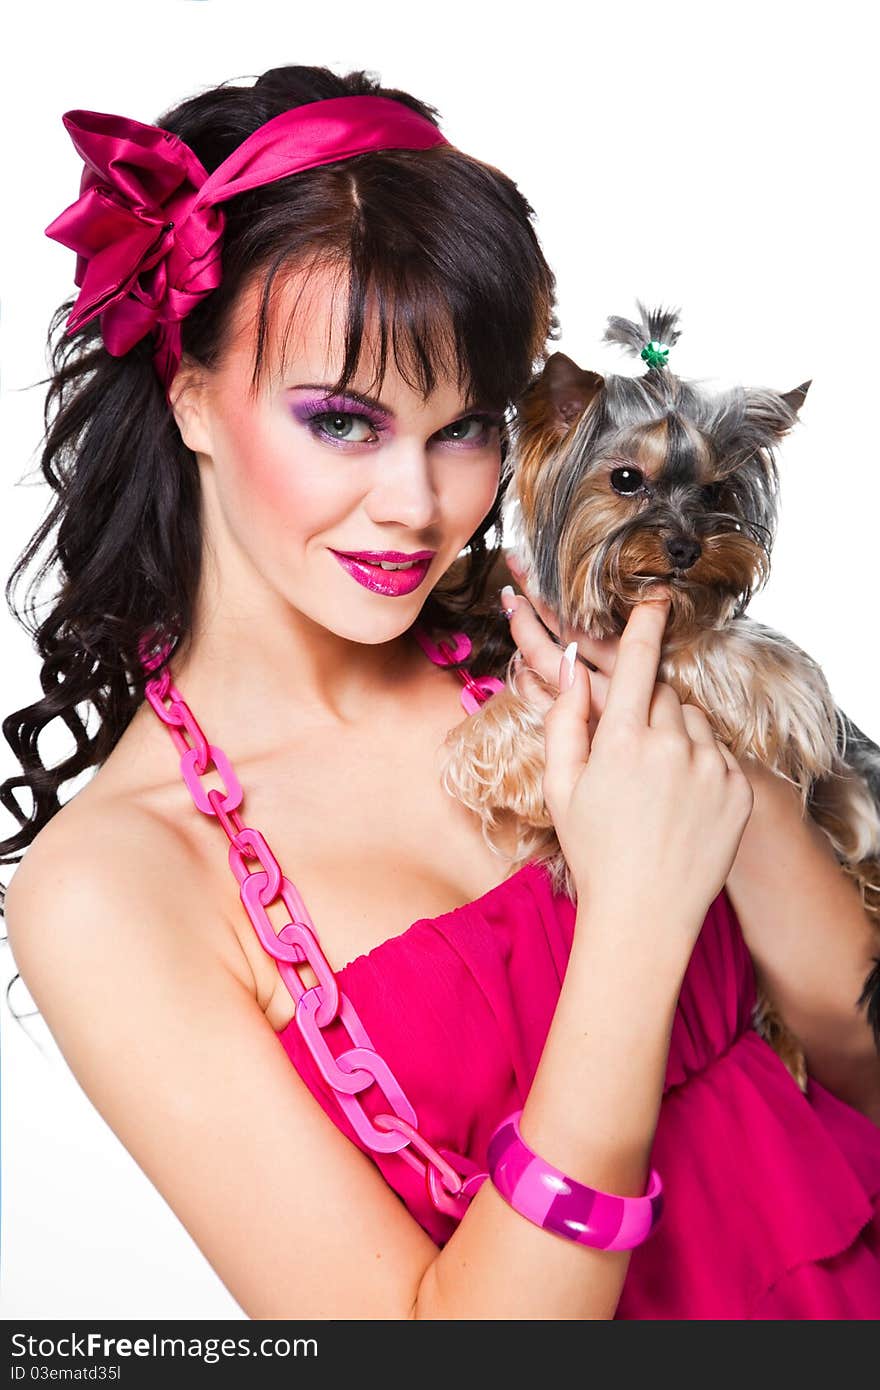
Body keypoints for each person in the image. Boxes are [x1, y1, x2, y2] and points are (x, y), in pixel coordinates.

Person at [2, 63, 878, 1322]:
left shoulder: (540, 648)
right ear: (192, 394)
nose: (418, 508)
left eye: (462, 427)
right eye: (343, 422)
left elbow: (861, 1062)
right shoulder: (117, 887)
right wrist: (633, 919)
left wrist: (718, 788)